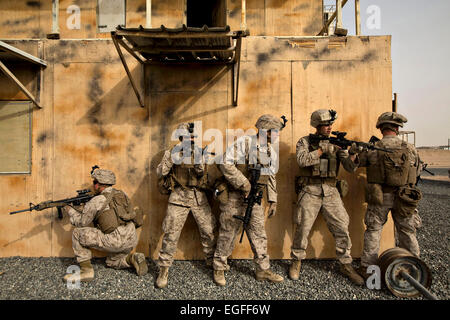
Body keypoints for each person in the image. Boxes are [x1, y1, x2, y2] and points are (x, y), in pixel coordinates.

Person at [290, 109, 364, 285]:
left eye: (331, 124)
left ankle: (345, 264)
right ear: (317, 125)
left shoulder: (336, 144)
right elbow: (302, 161)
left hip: (331, 191)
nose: (329, 127)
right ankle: (296, 261)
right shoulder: (305, 141)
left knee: (342, 227)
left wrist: (353, 154)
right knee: (303, 228)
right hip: (310, 190)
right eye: (325, 125)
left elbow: (350, 168)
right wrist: (321, 151)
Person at [212, 114, 285, 286]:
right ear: (266, 131)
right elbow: (225, 162)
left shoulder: (269, 151)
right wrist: (244, 183)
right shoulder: (244, 143)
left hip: (256, 198)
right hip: (235, 196)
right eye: (275, 132)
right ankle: (219, 266)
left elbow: (271, 176)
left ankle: (262, 270)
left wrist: (273, 200)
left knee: (259, 233)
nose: (277, 135)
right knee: (228, 231)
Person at [356, 112, 422, 278]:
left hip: (380, 196)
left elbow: (355, 164)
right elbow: (417, 169)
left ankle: (368, 270)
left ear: (380, 128)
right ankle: (415, 267)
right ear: (397, 128)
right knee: (407, 231)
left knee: (373, 231)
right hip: (404, 196)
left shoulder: (373, 148)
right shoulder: (409, 148)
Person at [155, 122, 217, 289]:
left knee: (208, 230)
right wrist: (172, 159)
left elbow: (202, 174)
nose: (190, 139)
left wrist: (198, 161)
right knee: (171, 233)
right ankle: (164, 269)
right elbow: (160, 172)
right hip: (179, 197)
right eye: (186, 137)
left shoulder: (200, 151)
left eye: (192, 136)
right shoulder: (171, 152)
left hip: (198, 197)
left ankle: (212, 263)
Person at [63, 168, 147, 282]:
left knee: (77, 233)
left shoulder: (96, 201)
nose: (93, 185)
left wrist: (69, 210)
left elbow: (81, 222)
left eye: (94, 182)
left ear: (99, 184)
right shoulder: (122, 194)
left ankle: (86, 271)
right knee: (111, 262)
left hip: (115, 240)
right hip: (131, 238)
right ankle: (132, 258)